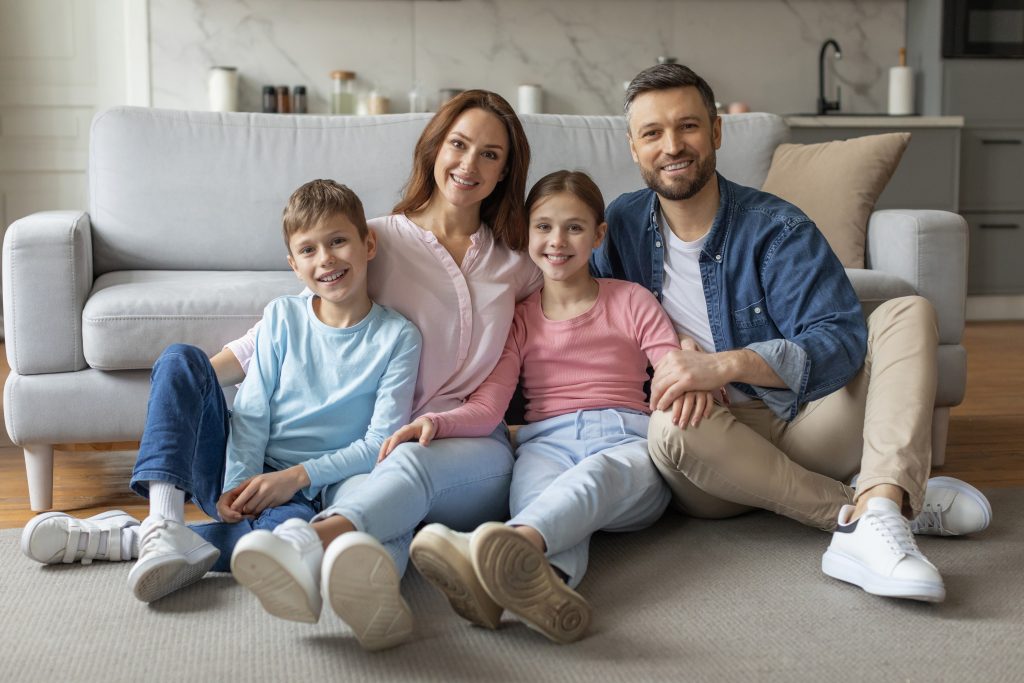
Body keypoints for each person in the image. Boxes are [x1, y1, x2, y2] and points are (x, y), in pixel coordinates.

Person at [591, 63, 992, 603]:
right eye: (653, 133)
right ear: (634, 148)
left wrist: (726, 363)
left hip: (803, 423)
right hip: (710, 450)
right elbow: (584, 321)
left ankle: (877, 507)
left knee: (909, 312)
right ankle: (877, 508)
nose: (672, 146)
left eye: (687, 126)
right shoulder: (618, 226)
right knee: (668, 430)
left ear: (715, 132)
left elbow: (840, 340)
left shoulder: (776, 227)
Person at [228, 89, 542, 651]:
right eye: (459, 144)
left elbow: (573, 308)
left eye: (490, 155)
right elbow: (294, 322)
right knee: (371, 513)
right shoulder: (378, 237)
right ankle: (379, 608)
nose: (469, 164)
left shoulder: (517, 263)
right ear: (434, 149)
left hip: (472, 447)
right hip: (377, 440)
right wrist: (196, 376)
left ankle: (305, 545)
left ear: (505, 172)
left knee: (404, 472)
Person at [20, 179, 421, 605]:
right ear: (294, 264)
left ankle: (125, 540)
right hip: (234, 468)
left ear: (368, 243)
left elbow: (379, 444)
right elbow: (252, 406)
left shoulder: (398, 337)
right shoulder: (283, 316)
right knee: (180, 360)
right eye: (309, 250)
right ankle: (162, 522)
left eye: (338, 241)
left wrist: (293, 479)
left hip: (297, 493)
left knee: (284, 544)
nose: (326, 259)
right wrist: (239, 479)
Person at [377, 170, 710, 644]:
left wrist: (696, 369)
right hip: (543, 446)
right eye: (544, 227)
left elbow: (673, 370)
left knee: (592, 479)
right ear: (527, 235)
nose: (558, 241)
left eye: (574, 228)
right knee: (540, 502)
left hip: (628, 444)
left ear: (598, 236)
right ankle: (544, 589)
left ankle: (494, 551)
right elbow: (490, 406)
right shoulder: (521, 317)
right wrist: (433, 421)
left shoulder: (631, 300)